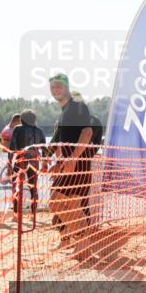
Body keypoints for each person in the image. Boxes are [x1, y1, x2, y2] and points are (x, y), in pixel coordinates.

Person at [46, 73, 95, 262]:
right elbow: (63, 142)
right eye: (52, 87)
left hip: (78, 165)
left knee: (56, 201)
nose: (55, 90)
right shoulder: (65, 111)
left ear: (66, 86)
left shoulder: (77, 106)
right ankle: (77, 243)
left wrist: (73, 159)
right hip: (69, 165)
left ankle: (83, 243)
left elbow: (87, 132)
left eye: (58, 85)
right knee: (72, 204)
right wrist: (59, 163)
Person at [8, 109, 46, 225]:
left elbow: (12, 148)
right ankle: (33, 215)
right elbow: (45, 149)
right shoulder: (40, 131)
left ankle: (15, 215)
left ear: (22, 119)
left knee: (16, 188)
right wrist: (45, 162)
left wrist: (9, 164)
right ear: (34, 119)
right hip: (34, 162)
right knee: (33, 188)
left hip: (20, 161)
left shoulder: (17, 129)